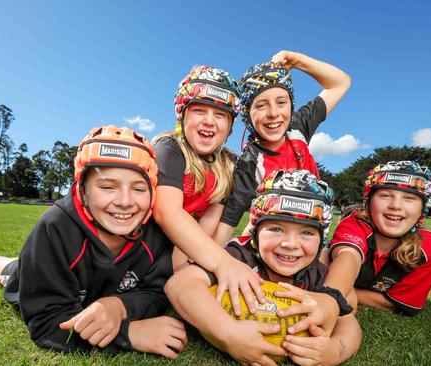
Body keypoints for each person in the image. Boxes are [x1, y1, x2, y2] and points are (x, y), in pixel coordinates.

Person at [0, 126, 187, 358]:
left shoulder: (155, 231)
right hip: (41, 276)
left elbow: (156, 291)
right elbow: (46, 321)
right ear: (82, 190)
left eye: (139, 188)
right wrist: (129, 334)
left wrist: (119, 306)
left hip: (68, 276)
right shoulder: (55, 227)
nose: (125, 201)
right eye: (107, 186)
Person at [165, 169, 361, 366]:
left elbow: (347, 318)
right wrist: (227, 332)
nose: (290, 244)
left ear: (321, 240)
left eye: (307, 233)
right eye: (276, 229)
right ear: (255, 230)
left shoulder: (317, 273)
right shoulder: (239, 257)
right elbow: (180, 284)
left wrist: (337, 349)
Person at [152, 65, 267, 315]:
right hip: (152, 243)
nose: (208, 121)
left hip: (187, 243)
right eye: (199, 110)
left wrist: (196, 266)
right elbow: (167, 213)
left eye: (220, 114)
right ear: (182, 115)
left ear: (230, 126)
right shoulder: (169, 148)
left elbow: (210, 220)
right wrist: (222, 263)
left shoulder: (227, 164)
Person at [215, 50, 351, 244]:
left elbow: (340, 82)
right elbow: (228, 222)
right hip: (274, 247)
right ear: (247, 114)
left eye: (281, 102)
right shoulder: (249, 164)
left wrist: (297, 60)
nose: (273, 113)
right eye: (261, 105)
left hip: (313, 238)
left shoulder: (298, 127)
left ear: (291, 105)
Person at [324, 161, 431, 315]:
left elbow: (396, 304)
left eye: (409, 198)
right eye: (385, 195)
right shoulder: (355, 223)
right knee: (322, 255)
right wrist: (330, 298)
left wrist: (344, 292)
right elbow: (348, 255)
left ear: (423, 209)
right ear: (369, 202)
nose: (396, 205)